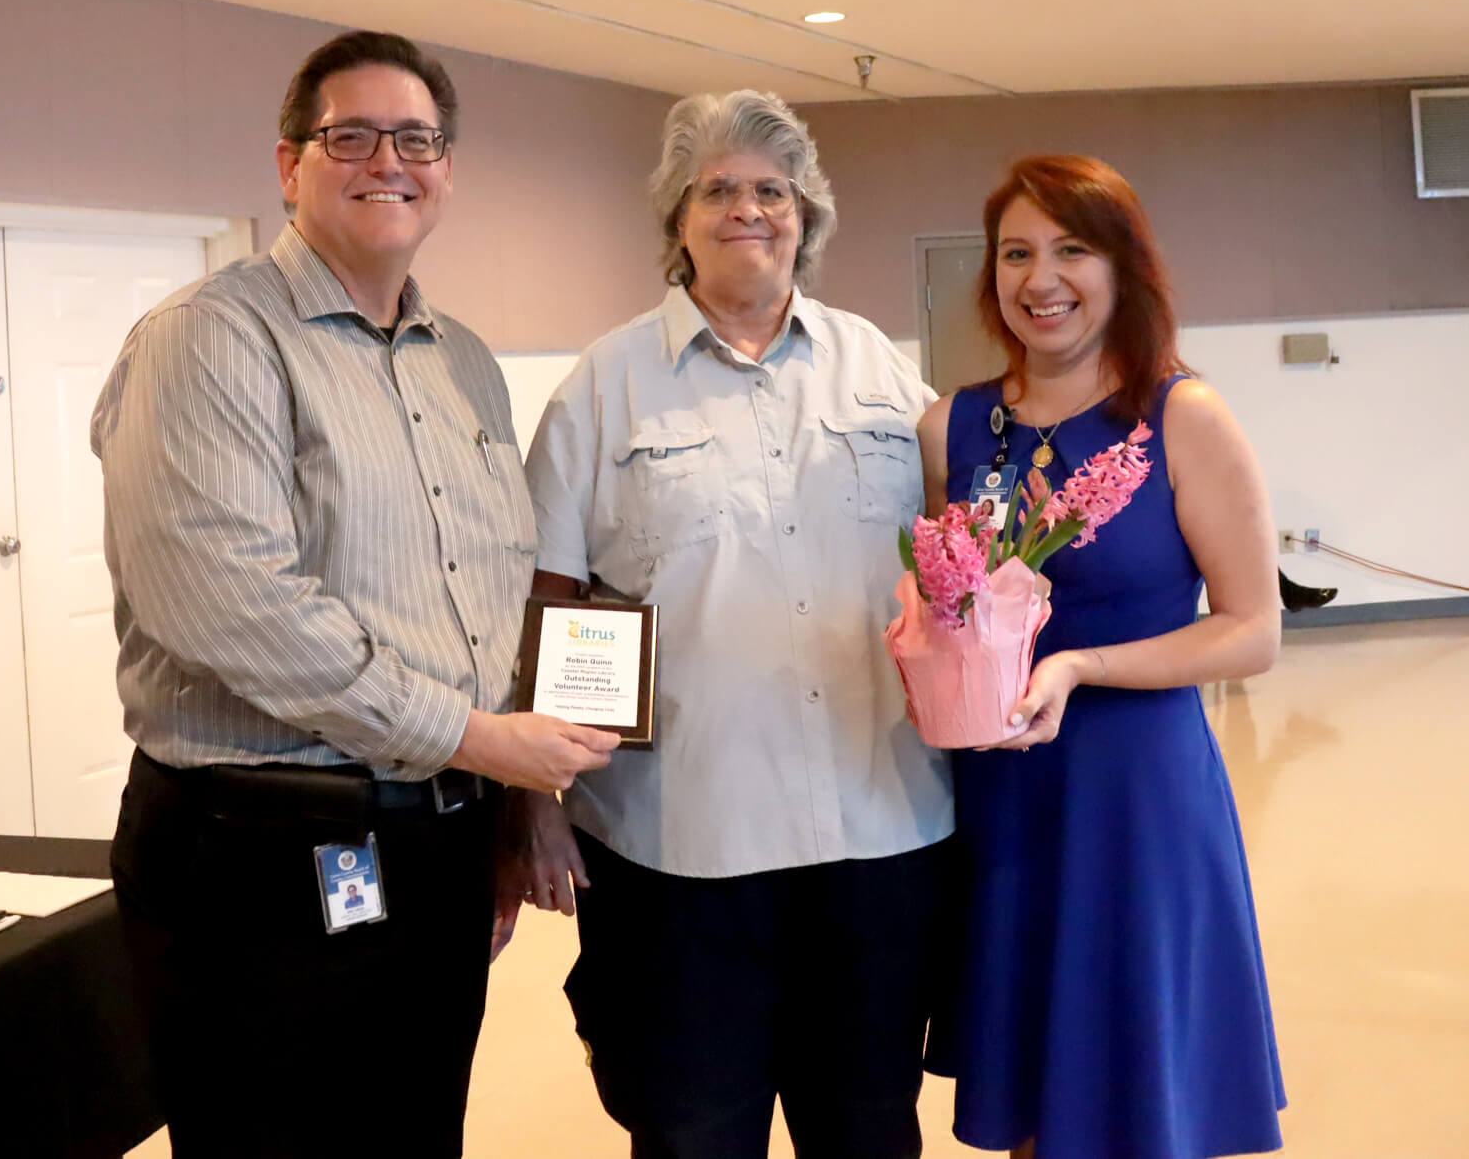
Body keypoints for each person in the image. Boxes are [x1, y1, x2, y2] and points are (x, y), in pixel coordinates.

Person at [91, 30, 617, 1157]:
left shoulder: (461, 359)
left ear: (448, 168)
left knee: (417, 1130)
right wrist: (482, 740)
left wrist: (510, 798)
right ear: (290, 165)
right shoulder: (209, 342)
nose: (390, 159)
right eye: (352, 136)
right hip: (258, 849)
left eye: (418, 137)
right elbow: (238, 605)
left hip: (433, 838)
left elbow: (487, 598)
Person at [518, 90, 953, 1158]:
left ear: (806, 217)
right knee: (690, 1133)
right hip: (678, 852)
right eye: (718, 190)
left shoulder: (880, 371)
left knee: (867, 1130)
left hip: (879, 834)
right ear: (677, 219)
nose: (747, 210)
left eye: (772, 191)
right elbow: (549, 603)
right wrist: (532, 805)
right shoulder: (602, 389)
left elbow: (960, 564)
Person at [917, 154, 1286, 1159]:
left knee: (1135, 1093)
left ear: (1122, 267)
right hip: (1002, 803)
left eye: (1071, 249)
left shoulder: (1180, 416)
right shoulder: (951, 425)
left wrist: (1082, 668)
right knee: (1037, 1101)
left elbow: (1252, 629)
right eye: (1016, 253)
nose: (1042, 279)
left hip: (1135, 798)